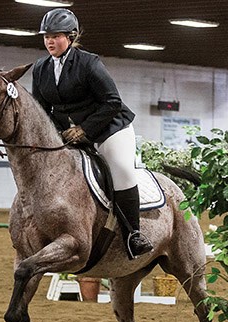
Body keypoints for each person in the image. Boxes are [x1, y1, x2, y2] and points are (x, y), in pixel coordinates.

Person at [31, 8, 153, 258]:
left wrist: (85, 129)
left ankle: (134, 235)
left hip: (108, 127)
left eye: (55, 36)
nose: (49, 41)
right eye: (46, 36)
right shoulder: (40, 68)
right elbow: (41, 109)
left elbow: (112, 102)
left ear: (71, 36)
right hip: (69, 133)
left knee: (121, 169)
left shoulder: (89, 63)